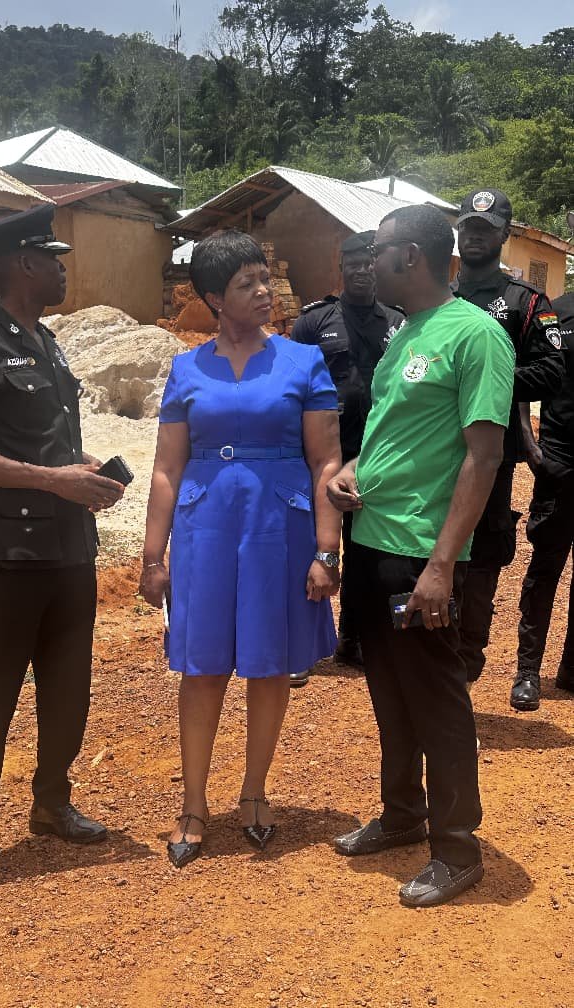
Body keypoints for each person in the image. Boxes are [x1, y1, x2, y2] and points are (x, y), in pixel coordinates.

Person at [0, 204, 126, 885]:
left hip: (69, 547)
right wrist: (52, 480)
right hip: (8, 554)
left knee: (68, 689)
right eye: (53, 259)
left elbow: (44, 442)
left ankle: (52, 803)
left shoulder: (48, 342)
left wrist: (84, 472)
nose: (62, 270)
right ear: (22, 264)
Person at [328, 205, 514, 907]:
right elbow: (393, 433)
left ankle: (457, 848)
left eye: (375, 252)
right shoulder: (407, 331)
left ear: (409, 256)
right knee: (389, 691)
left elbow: (484, 455)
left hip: (420, 555)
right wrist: (352, 469)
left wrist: (442, 565)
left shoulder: (476, 335)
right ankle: (403, 813)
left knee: (437, 700)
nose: (364, 265)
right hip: (372, 542)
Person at [139, 229, 341, 868]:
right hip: (204, 529)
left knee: (269, 661)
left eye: (264, 278)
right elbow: (167, 468)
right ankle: (193, 803)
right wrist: (153, 556)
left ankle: (254, 791)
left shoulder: (302, 362)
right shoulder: (185, 368)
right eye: (245, 283)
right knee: (202, 666)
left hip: (279, 527)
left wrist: (327, 550)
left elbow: (326, 460)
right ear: (213, 299)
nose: (263, 291)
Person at [451, 189, 563, 696]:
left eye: (486, 229)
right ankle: (430, 669)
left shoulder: (525, 302)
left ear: (503, 236)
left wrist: (485, 382)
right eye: (469, 228)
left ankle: (468, 658)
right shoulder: (437, 298)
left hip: (491, 459)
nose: (475, 236)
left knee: (482, 554)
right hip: (434, 453)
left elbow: (552, 372)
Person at [292, 231, 404, 676]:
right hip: (319, 453)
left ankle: (352, 640)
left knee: (364, 550)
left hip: (372, 453)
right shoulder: (313, 322)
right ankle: (300, 646)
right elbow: (291, 387)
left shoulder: (398, 322)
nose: (361, 270)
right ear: (341, 268)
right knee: (309, 546)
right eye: (353, 263)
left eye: (368, 262)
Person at [514, 292, 574, 709]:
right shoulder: (557, 312)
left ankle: (571, 669)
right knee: (545, 569)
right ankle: (528, 672)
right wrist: (530, 445)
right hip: (561, 460)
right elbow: (520, 372)